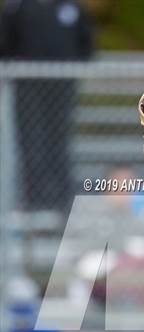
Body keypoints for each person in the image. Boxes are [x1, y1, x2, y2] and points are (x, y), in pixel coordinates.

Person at [0, 0, 95, 211]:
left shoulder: (72, 7)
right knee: (31, 144)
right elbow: (5, 45)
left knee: (59, 145)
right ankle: (33, 205)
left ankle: (62, 204)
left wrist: (69, 72)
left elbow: (86, 45)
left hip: (62, 91)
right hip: (27, 91)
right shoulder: (18, 7)